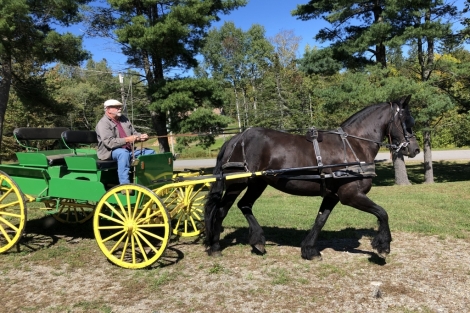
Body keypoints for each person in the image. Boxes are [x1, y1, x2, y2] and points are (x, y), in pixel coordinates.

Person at [96, 99, 155, 186]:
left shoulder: (124, 119)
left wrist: (141, 136)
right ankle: (125, 185)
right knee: (123, 153)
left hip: (129, 149)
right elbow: (109, 143)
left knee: (150, 152)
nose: (120, 109)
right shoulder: (103, 123)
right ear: (108, 109)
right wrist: (127, 139)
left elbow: (134, 133)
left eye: (120, 107)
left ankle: (146, 181)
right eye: (116, 107)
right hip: (110, 152)